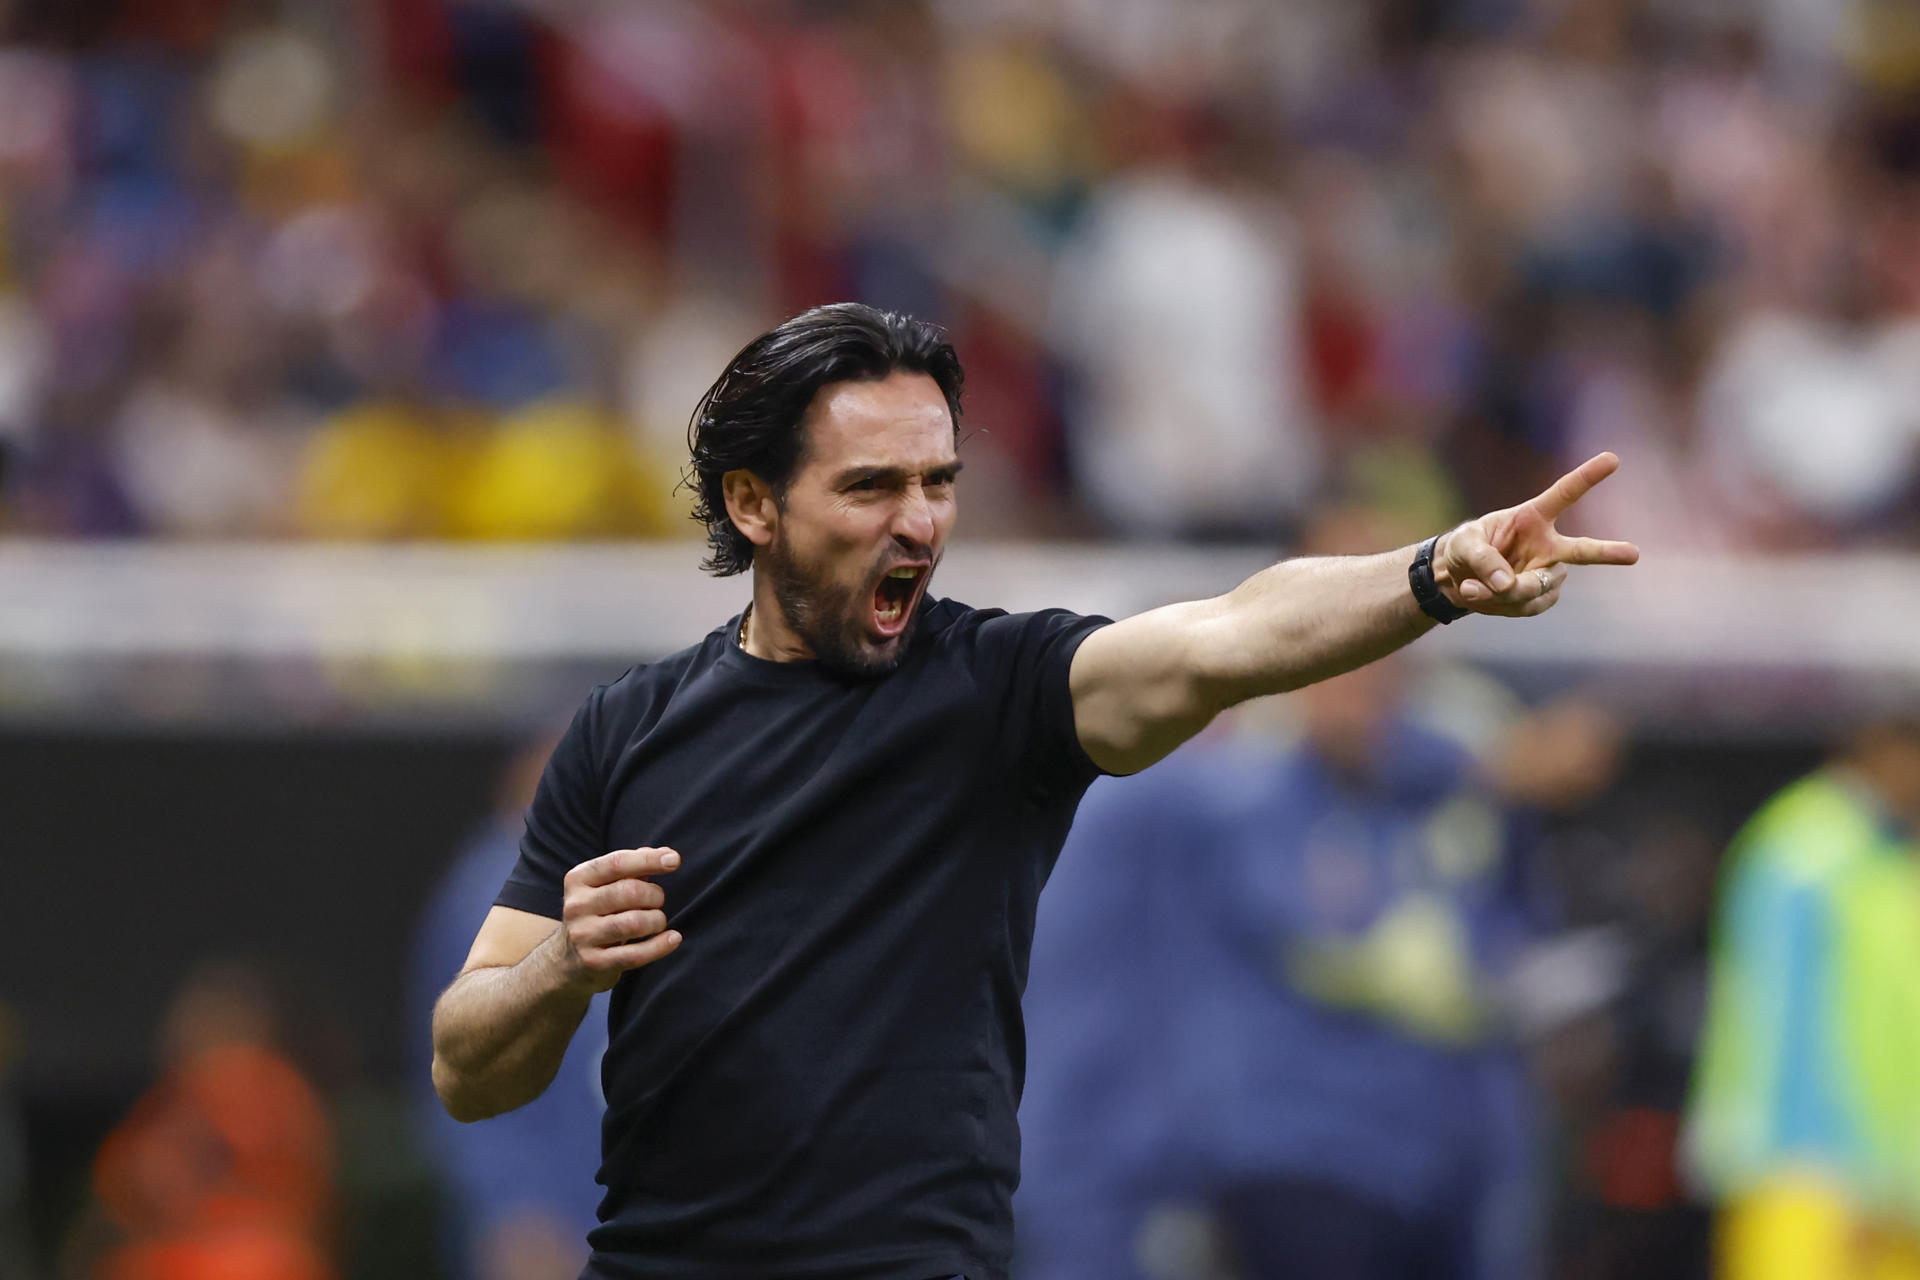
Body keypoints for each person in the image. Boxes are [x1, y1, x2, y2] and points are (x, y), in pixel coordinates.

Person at [427, 302, 1638, 1280]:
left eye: (937, 481)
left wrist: (1429, 573)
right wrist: (560, 969)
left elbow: (1226, 636)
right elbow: (468, 1067)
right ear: (754, 504)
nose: (919, 522)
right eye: (869, 488)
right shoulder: (623, 731)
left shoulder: (996, 692)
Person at [1683, 717, 1920, 1280]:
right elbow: (1782, 1023)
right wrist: (1850, 1173)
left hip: (1884, 1178)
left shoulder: (1883, 849)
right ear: (1883, 746)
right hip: (1811, 1174)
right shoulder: (1806, 849)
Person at [410, 731, 609, 1280]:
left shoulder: (632, 872)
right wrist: (512, 1210)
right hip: (540, 1227)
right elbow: (456, 1069)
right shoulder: (489, 888)